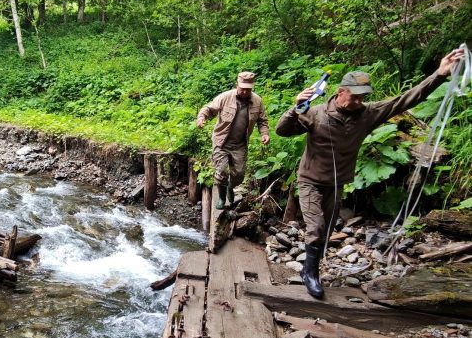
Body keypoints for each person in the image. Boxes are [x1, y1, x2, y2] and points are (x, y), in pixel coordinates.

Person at [276, 48, 465, 299]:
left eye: (362, 97)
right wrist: (295, 108)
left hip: (338, 182)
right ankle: (309, 274)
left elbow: (407, 98)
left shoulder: (368, 114)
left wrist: (440, 73)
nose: (358, 102)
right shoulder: (315, 112)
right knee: (316, 226)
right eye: (354, 96)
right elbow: (282, 131)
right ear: (341, 92)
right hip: (310, 179)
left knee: (328, 229)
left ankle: (314, 267)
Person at [197, 71, 270, 209]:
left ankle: (231, 187)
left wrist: (264, 134)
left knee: (239, 175)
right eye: (242, 88)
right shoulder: (225, 97)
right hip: (221, 142)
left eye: (248, 89)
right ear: (237, 84)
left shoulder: (257, 101)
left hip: (240, 144)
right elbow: (209, 109)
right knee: (222, 171)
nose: (244, 91)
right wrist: (202, 118)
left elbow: (262, 120)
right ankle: (222, 198)